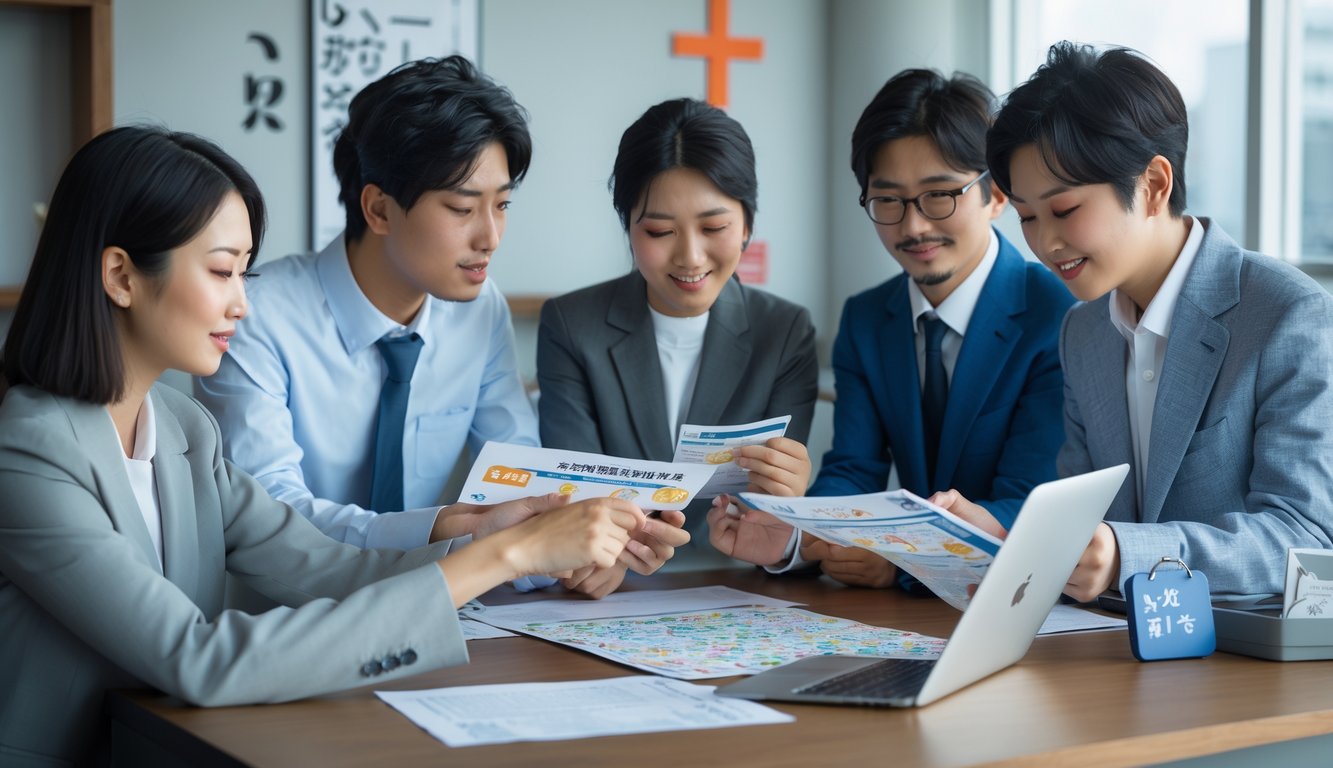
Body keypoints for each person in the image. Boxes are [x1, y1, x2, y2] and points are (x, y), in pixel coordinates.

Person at [0, 126, 651, 765]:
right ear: (121, 276)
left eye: (244, 273)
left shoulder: (181, 428)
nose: (241, 305)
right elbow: (196, 657)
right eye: (223, 272)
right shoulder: (27, 451)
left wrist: (491, 537)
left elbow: (330, 567)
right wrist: (509, 552)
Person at [192, 57, 685, 586]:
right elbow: (273, 522)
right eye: (461, 208)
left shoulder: (479, 309)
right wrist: (443, 530)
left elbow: (519, 479)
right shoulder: (255, 314)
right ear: (379, 210)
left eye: (502, 205)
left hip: (436, 624)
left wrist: (579, 555)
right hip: (279, 627)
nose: (490, 236)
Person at [938, 41, 1333, 600]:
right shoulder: (1083, 330)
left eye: (1065, 210)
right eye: (1026, 217)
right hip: (1115, 653)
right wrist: (1003, 539)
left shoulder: (1284, 313)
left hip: (1242, 665)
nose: (1044, 243)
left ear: (1153, 186)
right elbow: (1084, 530)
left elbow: (1306, 540)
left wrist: (1129, 554)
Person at [709, 69, 1075, 591]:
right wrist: (792, 537)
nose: (914, 226)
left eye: (939, 195)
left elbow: (1027, 502)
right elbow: (854, 471)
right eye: (888, 200)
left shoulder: (1056, 313)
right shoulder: (867, 318)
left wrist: (903, 561)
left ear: (996, 195)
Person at [537, 97, 818, 591]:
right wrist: (592, 559)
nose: (690, 256)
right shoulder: (571, 325)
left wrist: (787, 502)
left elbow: (772, 514)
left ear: (748, 223)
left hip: (739, 589)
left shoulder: (785, 331)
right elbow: (574, 496)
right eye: (660, 230)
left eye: (714, 228)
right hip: (607, 590)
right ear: (628, 226)